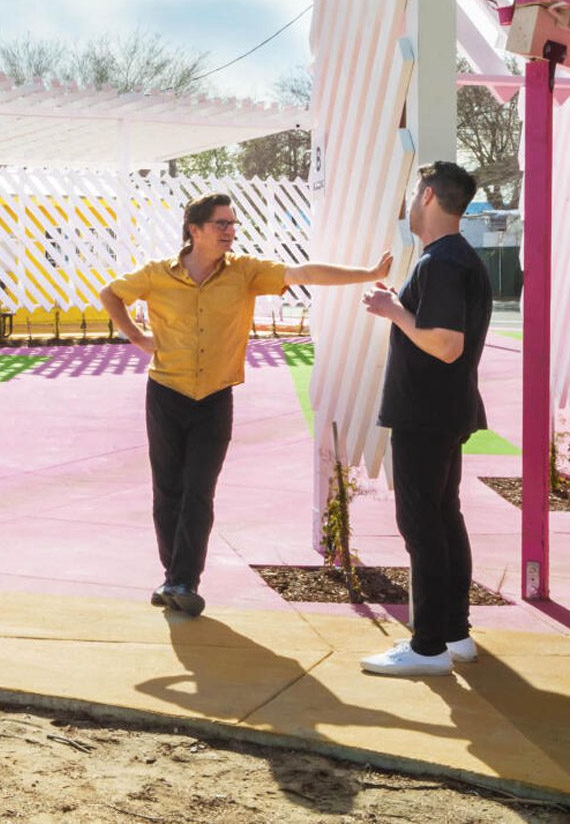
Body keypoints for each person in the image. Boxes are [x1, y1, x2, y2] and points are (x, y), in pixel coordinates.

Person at [99, 194, 391, 617]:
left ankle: (184, 580)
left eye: (233, 224)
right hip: (165, 393)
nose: (230, 231)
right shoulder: (157, 274)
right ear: (194, 230)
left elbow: (305, 271)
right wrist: (137, 338)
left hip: (215, 398)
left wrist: (368, 273)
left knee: (198, 490)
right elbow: (111, 294)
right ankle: (173, 576)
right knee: (167, 491)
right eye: (220, 224)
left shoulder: (246, 272)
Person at [360, 160, 491, 677]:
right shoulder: (460, 259)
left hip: (426, 413)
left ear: (431, 195)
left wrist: (393, 309)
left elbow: (444, 344)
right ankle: (454, 635)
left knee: (421, 524)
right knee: (443, 518)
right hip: (446, 410)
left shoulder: (440, 262)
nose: (412, 201)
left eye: (417, 190)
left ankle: (428, 645)